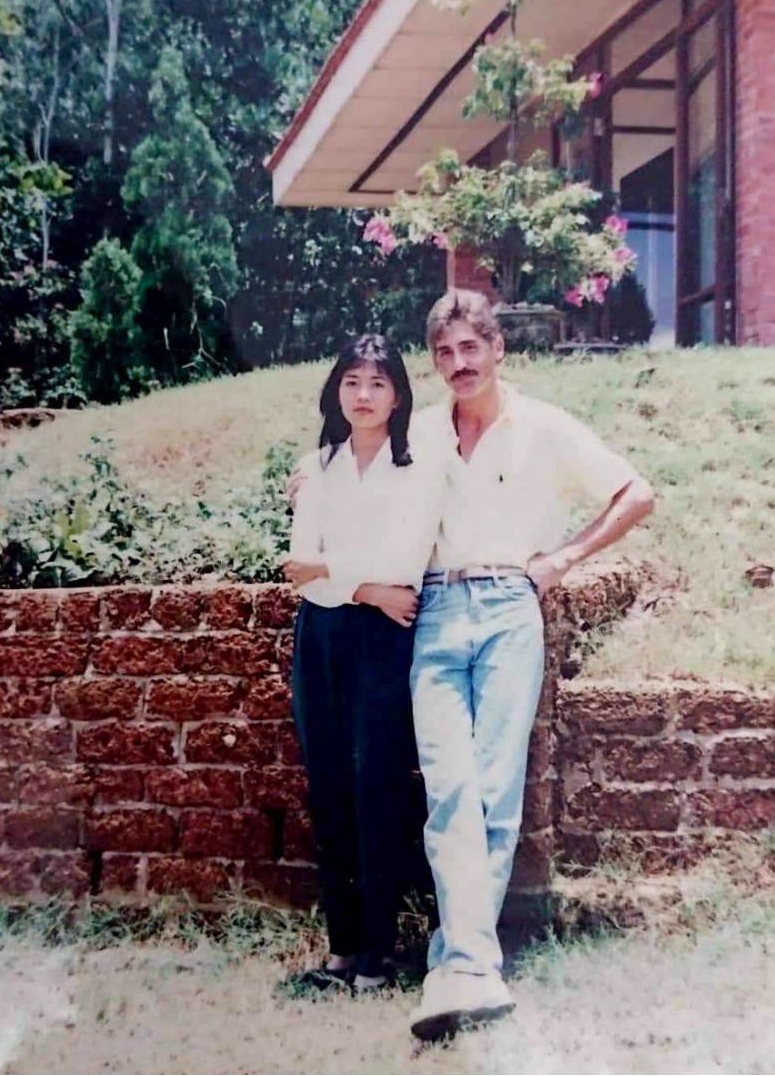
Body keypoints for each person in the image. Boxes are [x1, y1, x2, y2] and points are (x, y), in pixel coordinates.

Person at [406, 289, 655, 1040]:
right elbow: (358, 481)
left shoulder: (542, 426)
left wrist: (562, 561)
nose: (459, 365)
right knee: (449, 787)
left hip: (511, 610)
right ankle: (467, 963)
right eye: (445, 353)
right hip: (435, 615)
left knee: (493, 786)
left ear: (498, 348)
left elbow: (636, 493)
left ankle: (462, 966)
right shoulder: (418, 433)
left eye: (470, 348)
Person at [282, 334, 443, 995]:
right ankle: (343, 948)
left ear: (397, 395)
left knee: (376, 785)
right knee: (327, 788)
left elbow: (407, 564)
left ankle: (380, 951)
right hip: (321, 636)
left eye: (377, 383)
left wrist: (338, 569)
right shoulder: (316, 465)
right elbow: (299, 570)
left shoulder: (417, 468)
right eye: (352, 381)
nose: (364, 395)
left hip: (382, 644)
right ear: (336, 391)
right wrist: (365, 585)